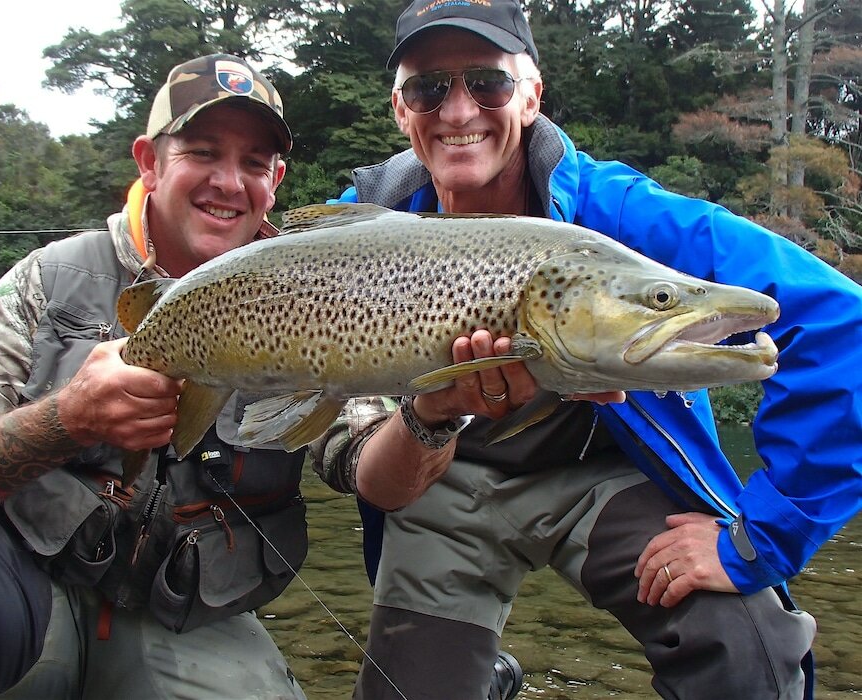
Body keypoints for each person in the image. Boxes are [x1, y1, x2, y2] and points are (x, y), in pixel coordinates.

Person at [310, 1, 862, 698]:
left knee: (745, 652)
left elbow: (842, 322)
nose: (458, 110)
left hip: (602, 479)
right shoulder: (350, 237)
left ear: (532, 95)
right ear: (400, 108)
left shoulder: (622, 215)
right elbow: (342, 447)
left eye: (488, 82)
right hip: (435, 484)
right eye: (428, 88)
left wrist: (764, 536)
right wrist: (426, 415)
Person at [0, 53, 395, 700]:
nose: (230, 182)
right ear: (149, 161)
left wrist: (431, 418)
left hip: (185, 620)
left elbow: (364, 463)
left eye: (254, 163)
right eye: (203, 152)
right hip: (23, 590)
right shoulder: (48, 280)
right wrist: (64, 420)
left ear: (276, 180)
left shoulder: (320, 291)